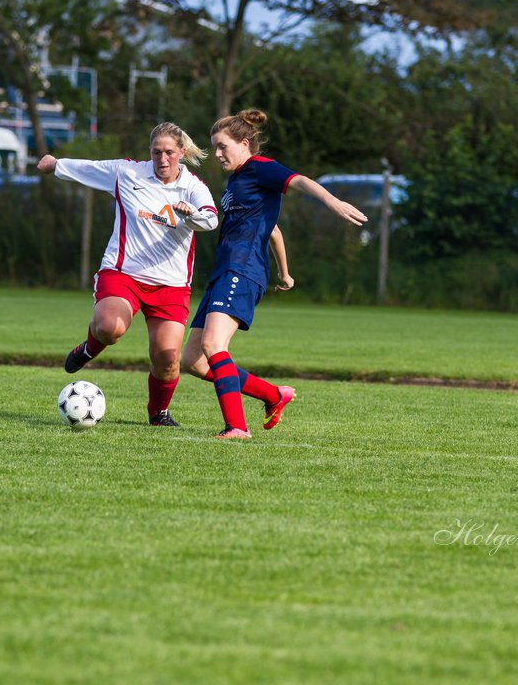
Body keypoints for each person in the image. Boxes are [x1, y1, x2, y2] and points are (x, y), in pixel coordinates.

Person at [181, 109, 367, 439]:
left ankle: (237, 427)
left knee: (213, 344)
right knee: (193, 361)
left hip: (242, 269)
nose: (218, 154)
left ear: (244, 143)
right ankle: (272, 395)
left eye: (223, 147)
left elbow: (300, 181)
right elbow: (273, 229)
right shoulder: (237, 179)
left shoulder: (259, 168)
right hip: (225, 271)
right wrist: (285, 272)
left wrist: (333, 202)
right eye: (215, 147)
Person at [36, 123, 217, 426]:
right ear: (149, 152)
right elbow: (90, 169)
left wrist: (192, 215)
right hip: (124, 273)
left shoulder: (193, 187)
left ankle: (158, 414)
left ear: (181, 153)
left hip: (170, 285)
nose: (162, 159)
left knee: (168, 357)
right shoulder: (127, 173)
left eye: (169, 153)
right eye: (156, 152)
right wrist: (56, 165)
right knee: (110, 327)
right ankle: (89, 348)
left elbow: (210, 220)